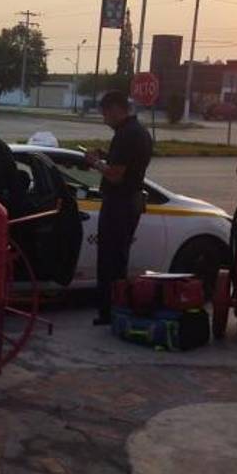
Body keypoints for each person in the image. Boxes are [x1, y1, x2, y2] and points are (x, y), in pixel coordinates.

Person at [83, 91, 154, 325]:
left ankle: (109, 312)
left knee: (110, 260)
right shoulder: (140, 132)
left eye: (105, 114)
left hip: (119, 203)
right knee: (119, 259)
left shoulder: (125, 135)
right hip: (130, 202)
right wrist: (106, 156)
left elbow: (115, 176)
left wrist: (95, 163)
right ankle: (116, 310)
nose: (104, 119)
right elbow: (126, 164)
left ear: (115, 109)